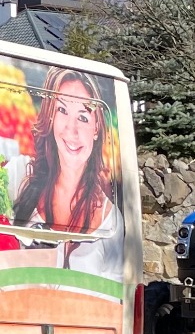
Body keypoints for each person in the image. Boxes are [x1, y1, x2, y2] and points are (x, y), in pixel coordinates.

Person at [13, 69, 128, 278]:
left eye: (83, 117)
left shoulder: (111, 222)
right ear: (51, 117)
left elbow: (118, 292)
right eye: (62, 110)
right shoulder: (18, 174)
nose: (71, 130)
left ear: (96, 129)